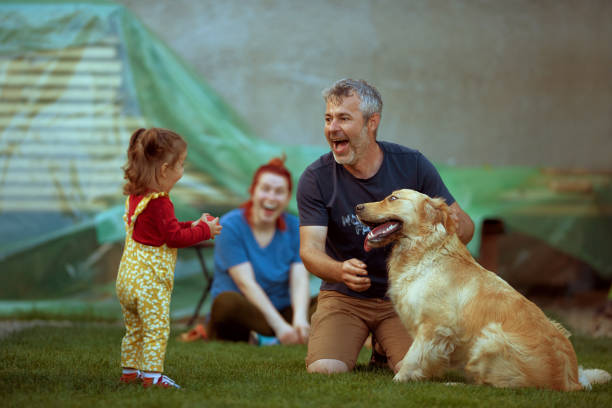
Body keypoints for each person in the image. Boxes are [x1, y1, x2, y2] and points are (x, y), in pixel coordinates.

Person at [297, 78, 475, 374]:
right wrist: (340, 271)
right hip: (344, 298)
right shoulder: (316, 178)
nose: (332, 128)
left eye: (344, 118)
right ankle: (359, 340)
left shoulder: (412, 165)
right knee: (325, 369)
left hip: (403, 298)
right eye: (328, 119)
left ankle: (383, 346)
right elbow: (310, 250)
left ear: (372, 123)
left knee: (417, 371)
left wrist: (441, 236)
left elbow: (465, 228)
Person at [116, 127, 222, 389]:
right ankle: (152, 378)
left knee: (135, 330)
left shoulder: (137, 197)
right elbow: (174, 238)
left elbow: (165, 230)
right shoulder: (161, 202)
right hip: (149, 285)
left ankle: (130, 372)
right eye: (181, 164)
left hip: (128, 281)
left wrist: (194, 224)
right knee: (156, 330)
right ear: (165, 170)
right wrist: (204, 231)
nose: (182, 170)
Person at [207, 156, 313, 345]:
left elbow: (299, 278)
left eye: (279, 192)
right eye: (265, 189)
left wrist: (299, 320)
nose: (271, 198)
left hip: (282, 309)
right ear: (253, 191)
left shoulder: (295, 227)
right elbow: (246, 283)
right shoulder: (230, 226)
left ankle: (281, 335)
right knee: (226, 303)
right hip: (247, 312)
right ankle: (272, 336)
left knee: (327, 301)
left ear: (288, 198)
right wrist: (281, 327)